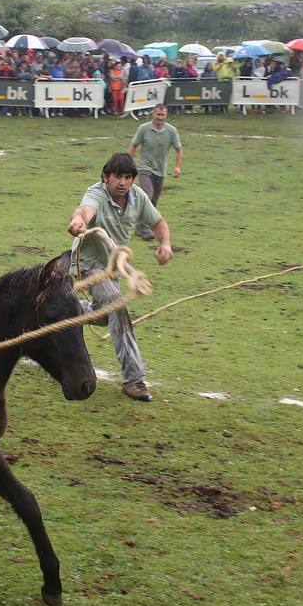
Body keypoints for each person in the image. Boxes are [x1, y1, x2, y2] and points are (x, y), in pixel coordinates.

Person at [66, 152, 173, 402]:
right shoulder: (97, 194)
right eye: (117, 177)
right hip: (89, 264)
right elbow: (84, 210)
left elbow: (158, 223)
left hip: (111, 268)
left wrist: (166, 244)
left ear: (133, 180)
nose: (122, 182)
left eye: (127, 177)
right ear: (106, 177)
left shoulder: (138, 197)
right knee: (117, 305)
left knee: (104, 316)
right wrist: (77, 221)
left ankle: (64, 311)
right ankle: (134, 379)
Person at [128, 104, 183, 240]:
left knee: (154, 201)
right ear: (153, 113)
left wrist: (177, 167)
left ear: (166, 115)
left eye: (162, 115)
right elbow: (133, 146)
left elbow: (179, 150)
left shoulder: (171, 131)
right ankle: (143, 229)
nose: (159, 118)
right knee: (148, 194)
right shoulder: (143, 129)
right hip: (144, 168)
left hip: (160, 171)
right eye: (157, 114)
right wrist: (129, 165)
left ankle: (140, 226)